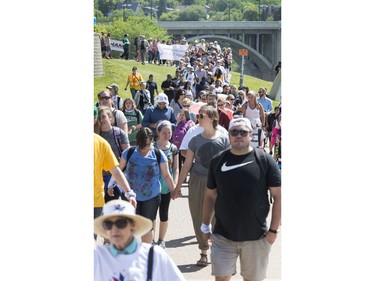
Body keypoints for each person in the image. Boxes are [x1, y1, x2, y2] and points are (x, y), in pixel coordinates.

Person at [201, 117, 281, 281]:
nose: (239, 135)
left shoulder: (265, 160)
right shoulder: (218, 161)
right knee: (221, 278)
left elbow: (278, 197)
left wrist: (273, 231)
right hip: (223, 235)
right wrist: (205, 226)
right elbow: (210, 195)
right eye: (234, 132)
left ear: (250, 135)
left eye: (243, 132)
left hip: (256, 237)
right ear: (228, 135)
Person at [173, 105, 230, 267]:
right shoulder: (195, 139)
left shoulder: (225, 138)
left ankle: (217, 250)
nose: (198, 118)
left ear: (212, 118)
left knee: (217, 217)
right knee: (198, 216)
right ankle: (203, 251)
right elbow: (186, 165)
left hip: (218, 182)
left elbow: (230, 163)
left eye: (202, 115)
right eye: (198, 115)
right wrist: (177, 188)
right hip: (197, 181)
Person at [108, 128, 176, 243]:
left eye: (148, 144)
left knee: (146, 227)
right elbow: (117, 170)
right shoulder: (129, 152)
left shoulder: (158, 154)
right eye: (143, 145)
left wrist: (174, 190)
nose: (145, 147)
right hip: (130, 196)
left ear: (152, 141)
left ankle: (146, 254)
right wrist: (110, 185)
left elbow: (166, 175)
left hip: (151, 197)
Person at [94, 199, 185, 281]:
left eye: (120, 223)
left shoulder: (155, 255)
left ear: (133, 225)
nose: (114, 229)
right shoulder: (96, 256)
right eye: (108, 224)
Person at [93, 106, 136, 240]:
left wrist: (129, 192)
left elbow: (115, 170)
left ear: (94, 120)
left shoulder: (101, 143)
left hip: (95, 201)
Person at [95, 106, 130, 203]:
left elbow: (127, 154)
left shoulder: (119, 133)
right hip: (99, 177)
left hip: (114, 175)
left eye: (103, 117)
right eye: (99, 118)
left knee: (111, 205)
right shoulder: (96, 135)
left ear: (110, 117)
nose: (101, 120)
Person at [154, 121, 179, 248]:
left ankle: (161, 240)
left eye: (169, 132)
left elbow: (175, 168)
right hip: (152, 186)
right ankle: (150, 240)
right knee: (151, 214)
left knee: (164, 213)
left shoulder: (173, 149)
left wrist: (174, 184)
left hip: (166, 186)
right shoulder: (152, 147)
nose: (167, 135)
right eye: (164, 132)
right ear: (158, 132)